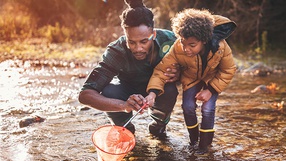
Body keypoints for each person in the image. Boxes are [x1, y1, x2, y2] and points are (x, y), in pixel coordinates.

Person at [78, 0, 180, 137]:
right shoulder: (116, 51)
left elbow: (197, 66)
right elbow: (85, 95)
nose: (138, 49)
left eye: (144, 41)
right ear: (125, 35)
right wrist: (123, 106)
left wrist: (180, 73)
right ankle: (126, 131)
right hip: (127, 91)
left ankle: (158, 126)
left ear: (153, 34)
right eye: (131, 42)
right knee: (109, 91)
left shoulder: (171, 41)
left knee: (170, 89)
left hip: (160, 90)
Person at [145, 8, 237, 155]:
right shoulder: (178, 48)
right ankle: (194, 142)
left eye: (192, 45)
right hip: (191, 78)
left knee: (208, 109)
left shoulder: (220, 47)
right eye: (183, 42)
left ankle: (204, 147)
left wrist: (211, 90)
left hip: (211, 80)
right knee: (187, 106)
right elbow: (161, 70)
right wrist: (153, 93)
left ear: (204, 40)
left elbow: (229, 70)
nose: (186, 49)